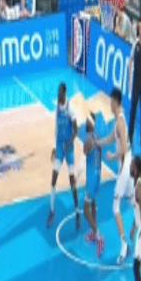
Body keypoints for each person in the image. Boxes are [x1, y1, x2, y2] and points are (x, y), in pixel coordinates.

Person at [97, 88, 133, 264]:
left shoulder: (120, 122)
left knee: (115, 208)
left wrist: (112, 156)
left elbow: (124, 148)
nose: (109, 104)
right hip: (126, 163)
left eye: (111, 101)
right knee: (133, 201)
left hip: (125, 166)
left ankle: (124, 245)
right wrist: (99, 143)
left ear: (116, 102)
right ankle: (140, 231)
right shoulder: (118, 119)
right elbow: (113, 138)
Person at [47, 83, 80, 230]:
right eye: (58, 94)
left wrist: (70, 142)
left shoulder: (70, 109)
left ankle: (77, 211)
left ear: (65, 93)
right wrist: (54, 147)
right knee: (53, 178)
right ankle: (52, 211)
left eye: (61, 95)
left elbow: (76, 130)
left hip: (69, 148)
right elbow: (56, 127)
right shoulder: (57, 107)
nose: (59, 97)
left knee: (72, 181)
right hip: (60, 147)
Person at [83, 113, 104, 257]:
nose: (85, 123)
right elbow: (99, 156)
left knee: (86, 210)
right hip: (97, 174)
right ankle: (94, 233)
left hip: (91, 178)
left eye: (87, 121)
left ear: (91, 124)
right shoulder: (97, 137)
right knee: (93, 204)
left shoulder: (88, 140)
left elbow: (85, 151)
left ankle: (99, 236)